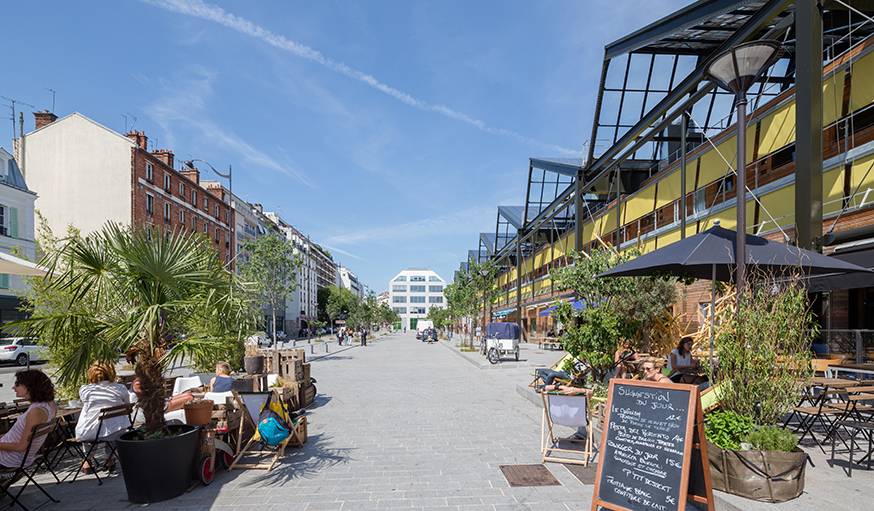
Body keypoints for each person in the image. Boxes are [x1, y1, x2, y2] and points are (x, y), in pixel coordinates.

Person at [76, 362, 130, 473]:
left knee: (89, 423)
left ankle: (87, 460)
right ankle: (110, 458)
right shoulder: (120, 388)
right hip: (117, 431)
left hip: (92, 433)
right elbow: (127, 406)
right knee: (112, 425)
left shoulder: (86, 390)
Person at [0, 370, 57, 470]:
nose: (13, 387)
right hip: (15, 457)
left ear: (30, 387)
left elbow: (21, 447)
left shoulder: (36, 412)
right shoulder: (48, 405)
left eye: (17, 384)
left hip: (8, 459)